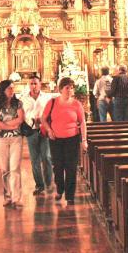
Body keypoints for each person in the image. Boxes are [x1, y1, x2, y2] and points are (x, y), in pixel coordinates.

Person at [42, 77, 87, 207]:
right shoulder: (52, 102)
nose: (70, 90)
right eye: (67, 87)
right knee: (58, 166)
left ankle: (70, 195)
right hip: (56, 139)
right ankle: (60, 188)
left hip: (72, 139)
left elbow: (83, 122)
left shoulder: (76, 104)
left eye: (72, 87)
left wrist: (84, 140)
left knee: (71, 167)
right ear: (60, 89)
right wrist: (49, 131)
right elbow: (43, 119)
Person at [0, 79, 26, 208]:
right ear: (3, 90)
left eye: (13, 88)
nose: (12, 91)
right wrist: (12, 124)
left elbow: (21, 119)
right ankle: (7, 196)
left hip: (16, 138)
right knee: (5, 168)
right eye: (9, 88)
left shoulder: (18, 103)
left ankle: (16, 197)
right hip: (1, 139)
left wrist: (5, 126)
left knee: (15, 167)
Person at [21, 74, 53, 196]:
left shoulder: (47, 97)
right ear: (28, 85)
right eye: (31, 83)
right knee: (35, 159)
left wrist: (43, 120)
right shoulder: (23, 99)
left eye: (36, 83)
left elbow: (51, 111)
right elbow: (22, 114)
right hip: (31, 130)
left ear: (40, 84)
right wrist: (32, 120)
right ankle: (39, 185)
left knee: (47, 157)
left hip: (44, 129)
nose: (34, 86)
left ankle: (49, 183)